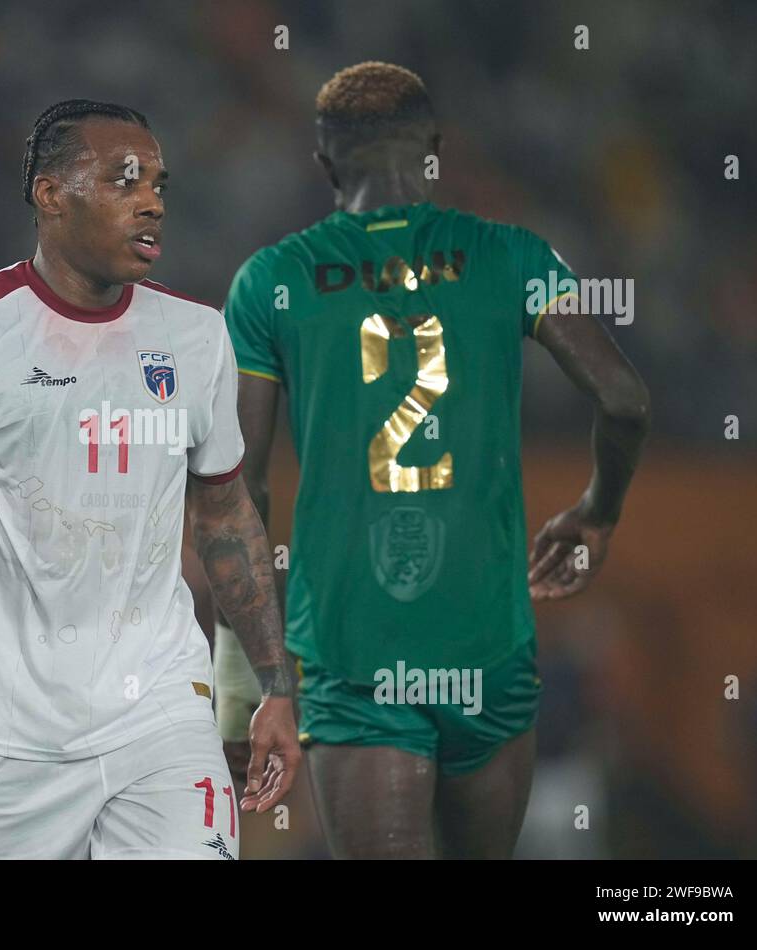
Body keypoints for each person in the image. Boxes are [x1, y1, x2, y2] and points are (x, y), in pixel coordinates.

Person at [0, 100, 299, 859]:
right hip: (4, 734)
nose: (152, 199)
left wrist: (271, 685)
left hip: (161, 712)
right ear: (50, 194)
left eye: (158, 183)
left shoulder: (195, 336)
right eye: (125, 179)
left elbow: (225, 517)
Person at [214, 63, 650, 858]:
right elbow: (625, 399)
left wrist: (252, 679)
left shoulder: (269, 283)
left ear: (324, 164)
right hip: (486, 650)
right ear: (435, 152)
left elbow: (238, 491)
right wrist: (598, 510)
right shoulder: (514, 255)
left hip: (353, 654)